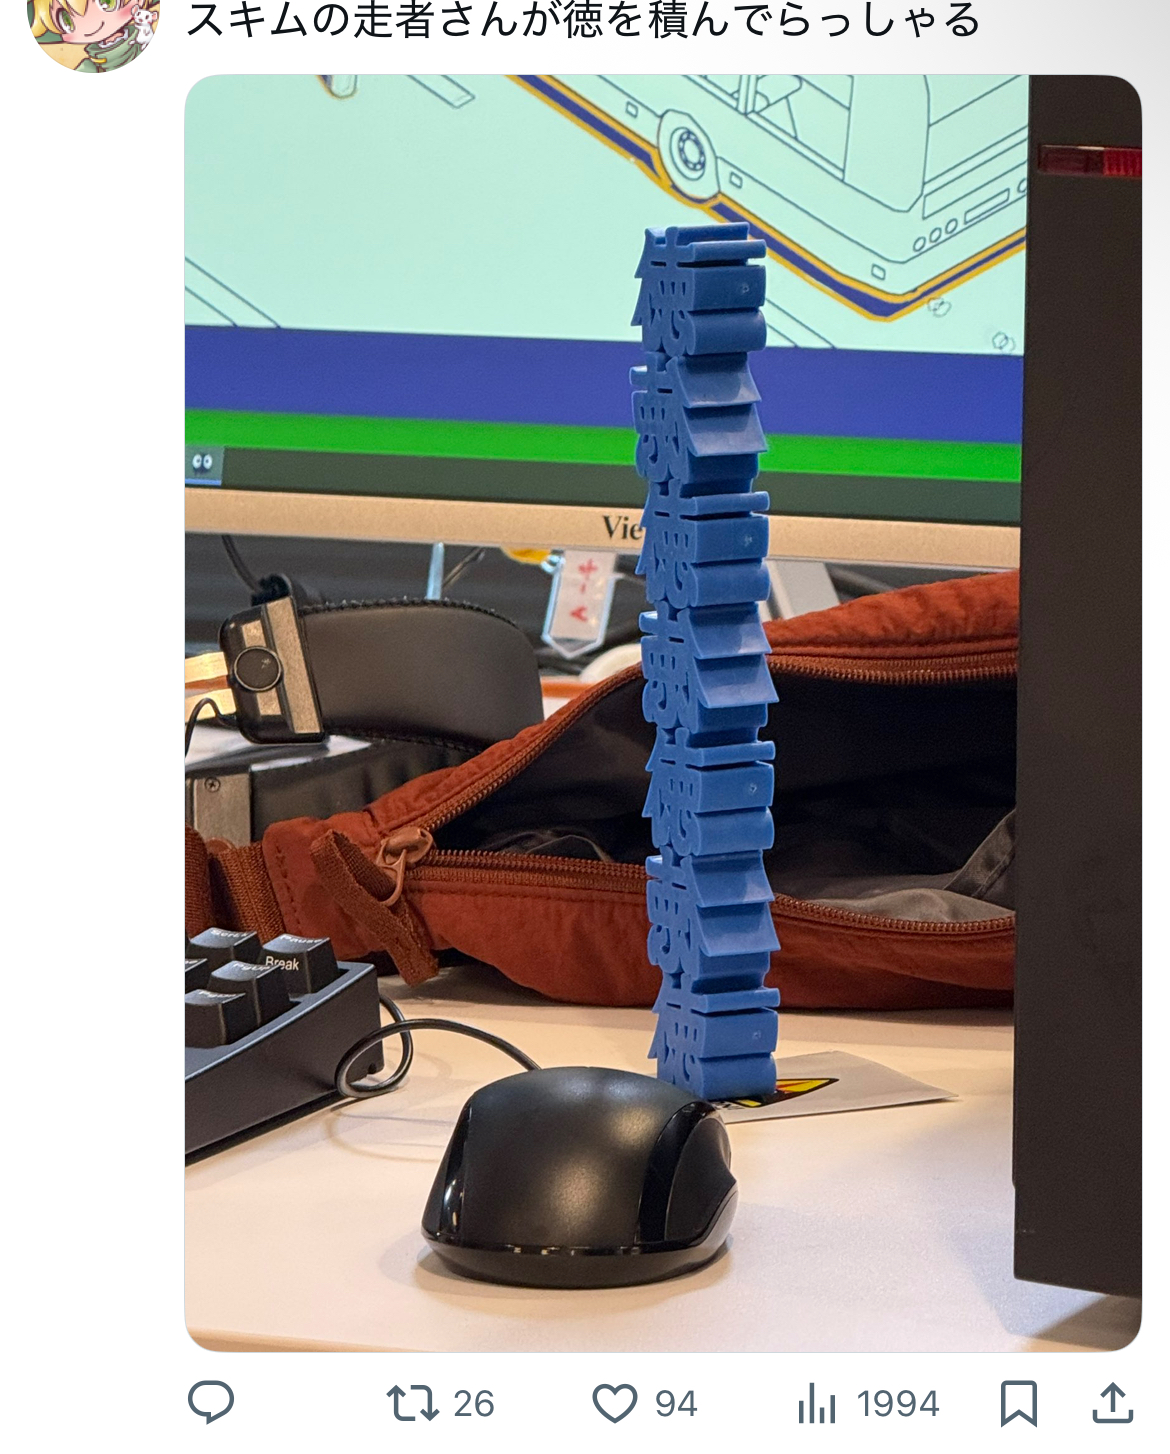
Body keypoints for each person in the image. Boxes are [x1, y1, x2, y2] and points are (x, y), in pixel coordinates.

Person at [29, 0, 158, 73]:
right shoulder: (91, 64)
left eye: (107, 2)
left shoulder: (144, 37)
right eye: (66, 21)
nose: (95, 26)